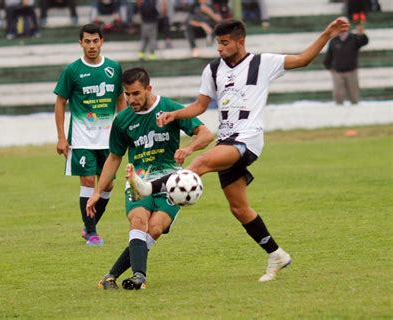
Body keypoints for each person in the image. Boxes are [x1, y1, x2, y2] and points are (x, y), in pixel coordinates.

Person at [127, 17, 350, 282]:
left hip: (248, 139)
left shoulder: (263, 63)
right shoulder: (212, 70)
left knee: (200, 164)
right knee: (239, 208)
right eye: (217, 43)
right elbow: (199, 106)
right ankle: (276, 254)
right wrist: (175, 114)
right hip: (227, 140)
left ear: (240, 41)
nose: (219, 48)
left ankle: (150, 188)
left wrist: (327, 34)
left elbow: (302, 59)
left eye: (224, 43)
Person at [86, 67, 213, 289]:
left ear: (148, 88)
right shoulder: (122, 120)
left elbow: (206, 134)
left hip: (171, 183)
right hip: (138, 180)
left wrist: (189, 148)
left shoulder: (169, 109)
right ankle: (139, 277)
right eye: (127, 94)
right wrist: (98, 191)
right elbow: (115, 157)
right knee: (138, 221)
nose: (131, 99)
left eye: (135, 93)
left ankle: (110, 276)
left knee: (154, 229)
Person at [54, 23, 127, 246]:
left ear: (102, 41)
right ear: (81, 43)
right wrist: (61, 137)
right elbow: (60, 103)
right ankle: (93, 233)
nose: (92, 45)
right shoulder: (72, 71)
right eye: (87, 41)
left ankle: (88, 226)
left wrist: (123, 126)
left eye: (95, 41)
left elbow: (120, 99)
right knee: (87, 181)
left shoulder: (114, 68)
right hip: (81, 137)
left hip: (108, 138)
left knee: (107, 186)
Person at [323, 17, 368, 105]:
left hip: (351, 72)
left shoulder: (354, 37)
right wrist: (329, 67)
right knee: (338, 96)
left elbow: (364, 42)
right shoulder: (334, 40)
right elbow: (329, 55)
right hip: (338, 72)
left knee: (353, 96)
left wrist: (362, 34)